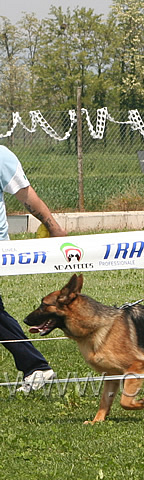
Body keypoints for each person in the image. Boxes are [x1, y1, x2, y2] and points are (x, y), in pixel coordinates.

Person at [0, 145, 67, 393]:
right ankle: (34, 366)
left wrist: (54, 227)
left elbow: (26, 196)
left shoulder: (1, 156)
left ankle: (35, 366)